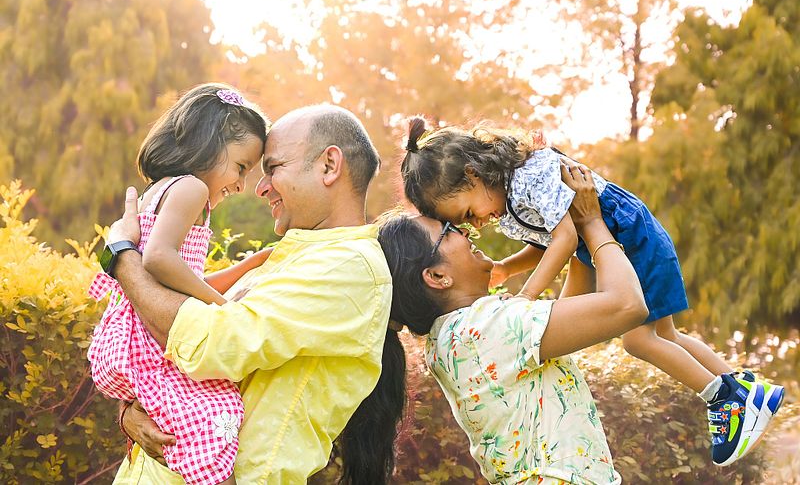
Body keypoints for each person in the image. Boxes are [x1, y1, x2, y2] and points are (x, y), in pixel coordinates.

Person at [400, 118, 785, 466]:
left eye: (469, 214)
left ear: (472, 175)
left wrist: (527, 295)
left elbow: (566, 237)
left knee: (639, 341)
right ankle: (747, 388)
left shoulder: (526, 181)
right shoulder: (510, 197)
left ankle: (723, 398)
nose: (478, 224)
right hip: (623, 240)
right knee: (666, 336)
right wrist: (507, 268)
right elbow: (550, 237)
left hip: (630, 239)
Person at [103, 105, 395, 484]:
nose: (259, 187)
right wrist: (129, 411)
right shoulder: (283, 259)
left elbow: (211, 342)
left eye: (272, 168)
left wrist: (122, 256)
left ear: (329, 165)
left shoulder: (349, 267)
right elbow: (167, 357)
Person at [372, 161, 645, 483]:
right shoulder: (482, 330)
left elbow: (569, 316)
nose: (465, 230)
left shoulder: (456, 337)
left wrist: (571, 227)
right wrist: (593, 222)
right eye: (448, 232)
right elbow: (627, 305)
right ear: (436, 276)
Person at [87, 83, 269, 485]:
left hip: (131, 335)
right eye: (241, 167)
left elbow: (181, 277)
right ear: (210, 143)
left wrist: (250, 264)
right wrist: (222, 308)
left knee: (189, 414)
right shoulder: (192, 188)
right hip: (150, 341)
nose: (241, 185)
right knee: (221, 410)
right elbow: (158, 259)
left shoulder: (166, 188)